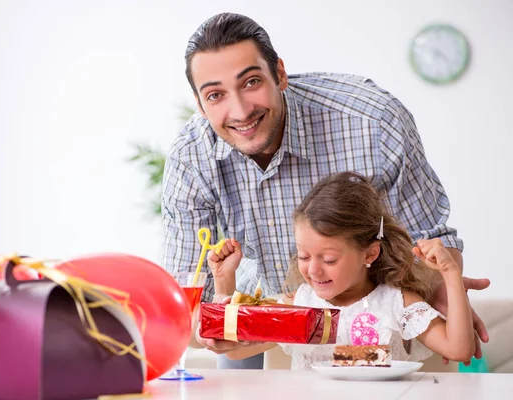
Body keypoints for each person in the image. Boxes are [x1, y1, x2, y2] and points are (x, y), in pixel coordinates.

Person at [160, 12, 489, 369]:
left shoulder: (374, 120)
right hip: (281, 321)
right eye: (215, 95)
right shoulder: (192, 156)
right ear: (199, 103)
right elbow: (189, 304)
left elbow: (430, 241)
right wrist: (218, 316)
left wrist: (447, 287)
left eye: (252, 82)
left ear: (280, 74)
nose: (239, 110)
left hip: (392, 333)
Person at [205, 172, 476, 367]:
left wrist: (450, 276)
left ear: (369, 253)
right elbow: (235, 350)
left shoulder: (395, 301)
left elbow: (459, 349)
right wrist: (223, 280)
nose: (313, 270)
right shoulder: (297, 305)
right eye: (303, 256)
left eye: (330, 259)